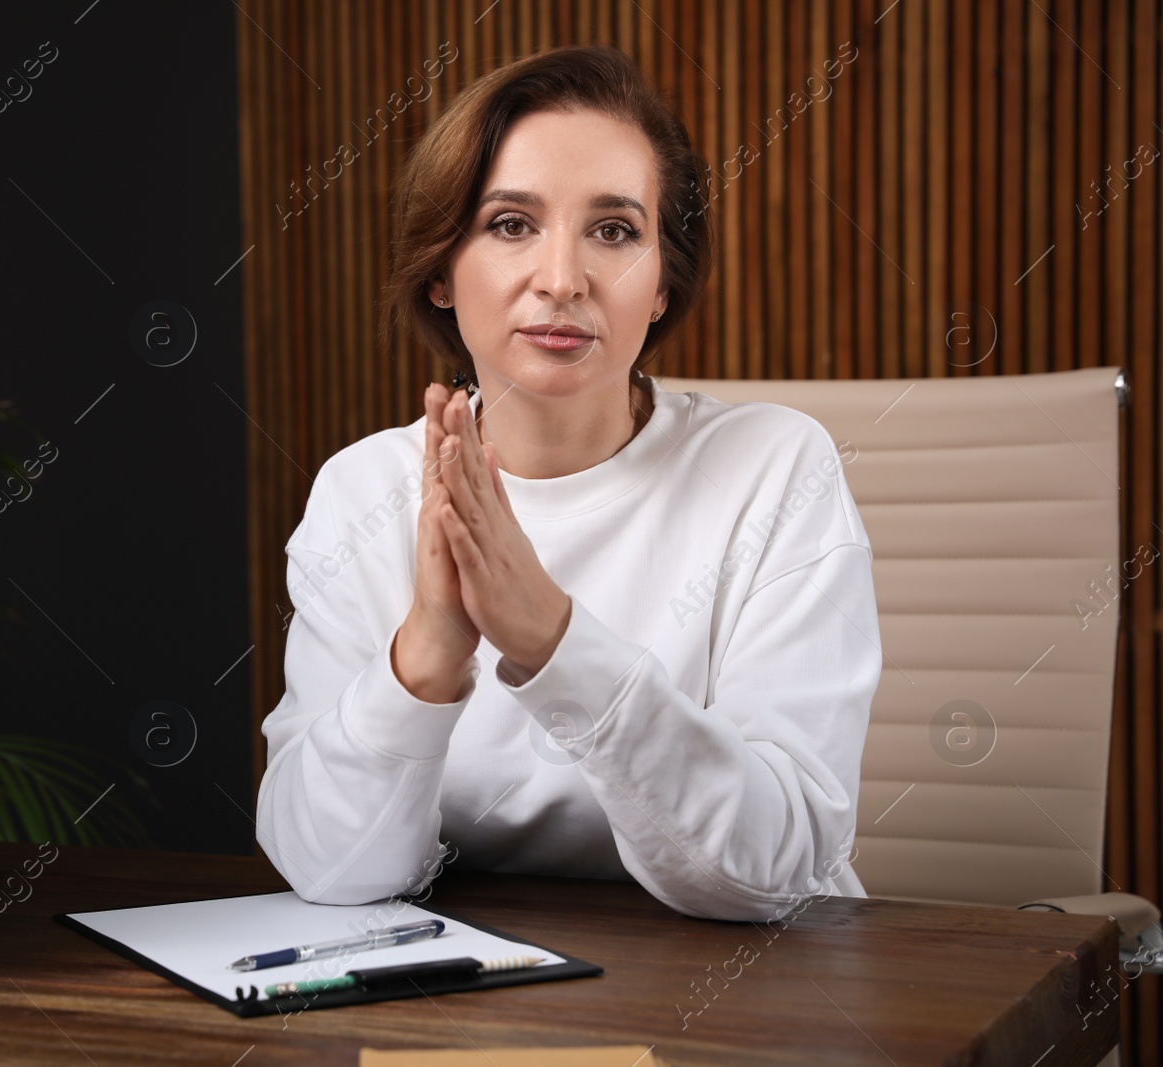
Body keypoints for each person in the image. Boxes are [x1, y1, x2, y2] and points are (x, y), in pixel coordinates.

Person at [255, 43, 881, 922]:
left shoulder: (775, 468)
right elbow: (331, 871)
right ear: (440, 270)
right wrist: (429, 651)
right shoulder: (364, 493)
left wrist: (552, 640)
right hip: (471, 1010)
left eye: (615, 231)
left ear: (663, 283)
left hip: (750, 1000)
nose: (562, 280)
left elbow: (772, 870)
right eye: (511, 224)